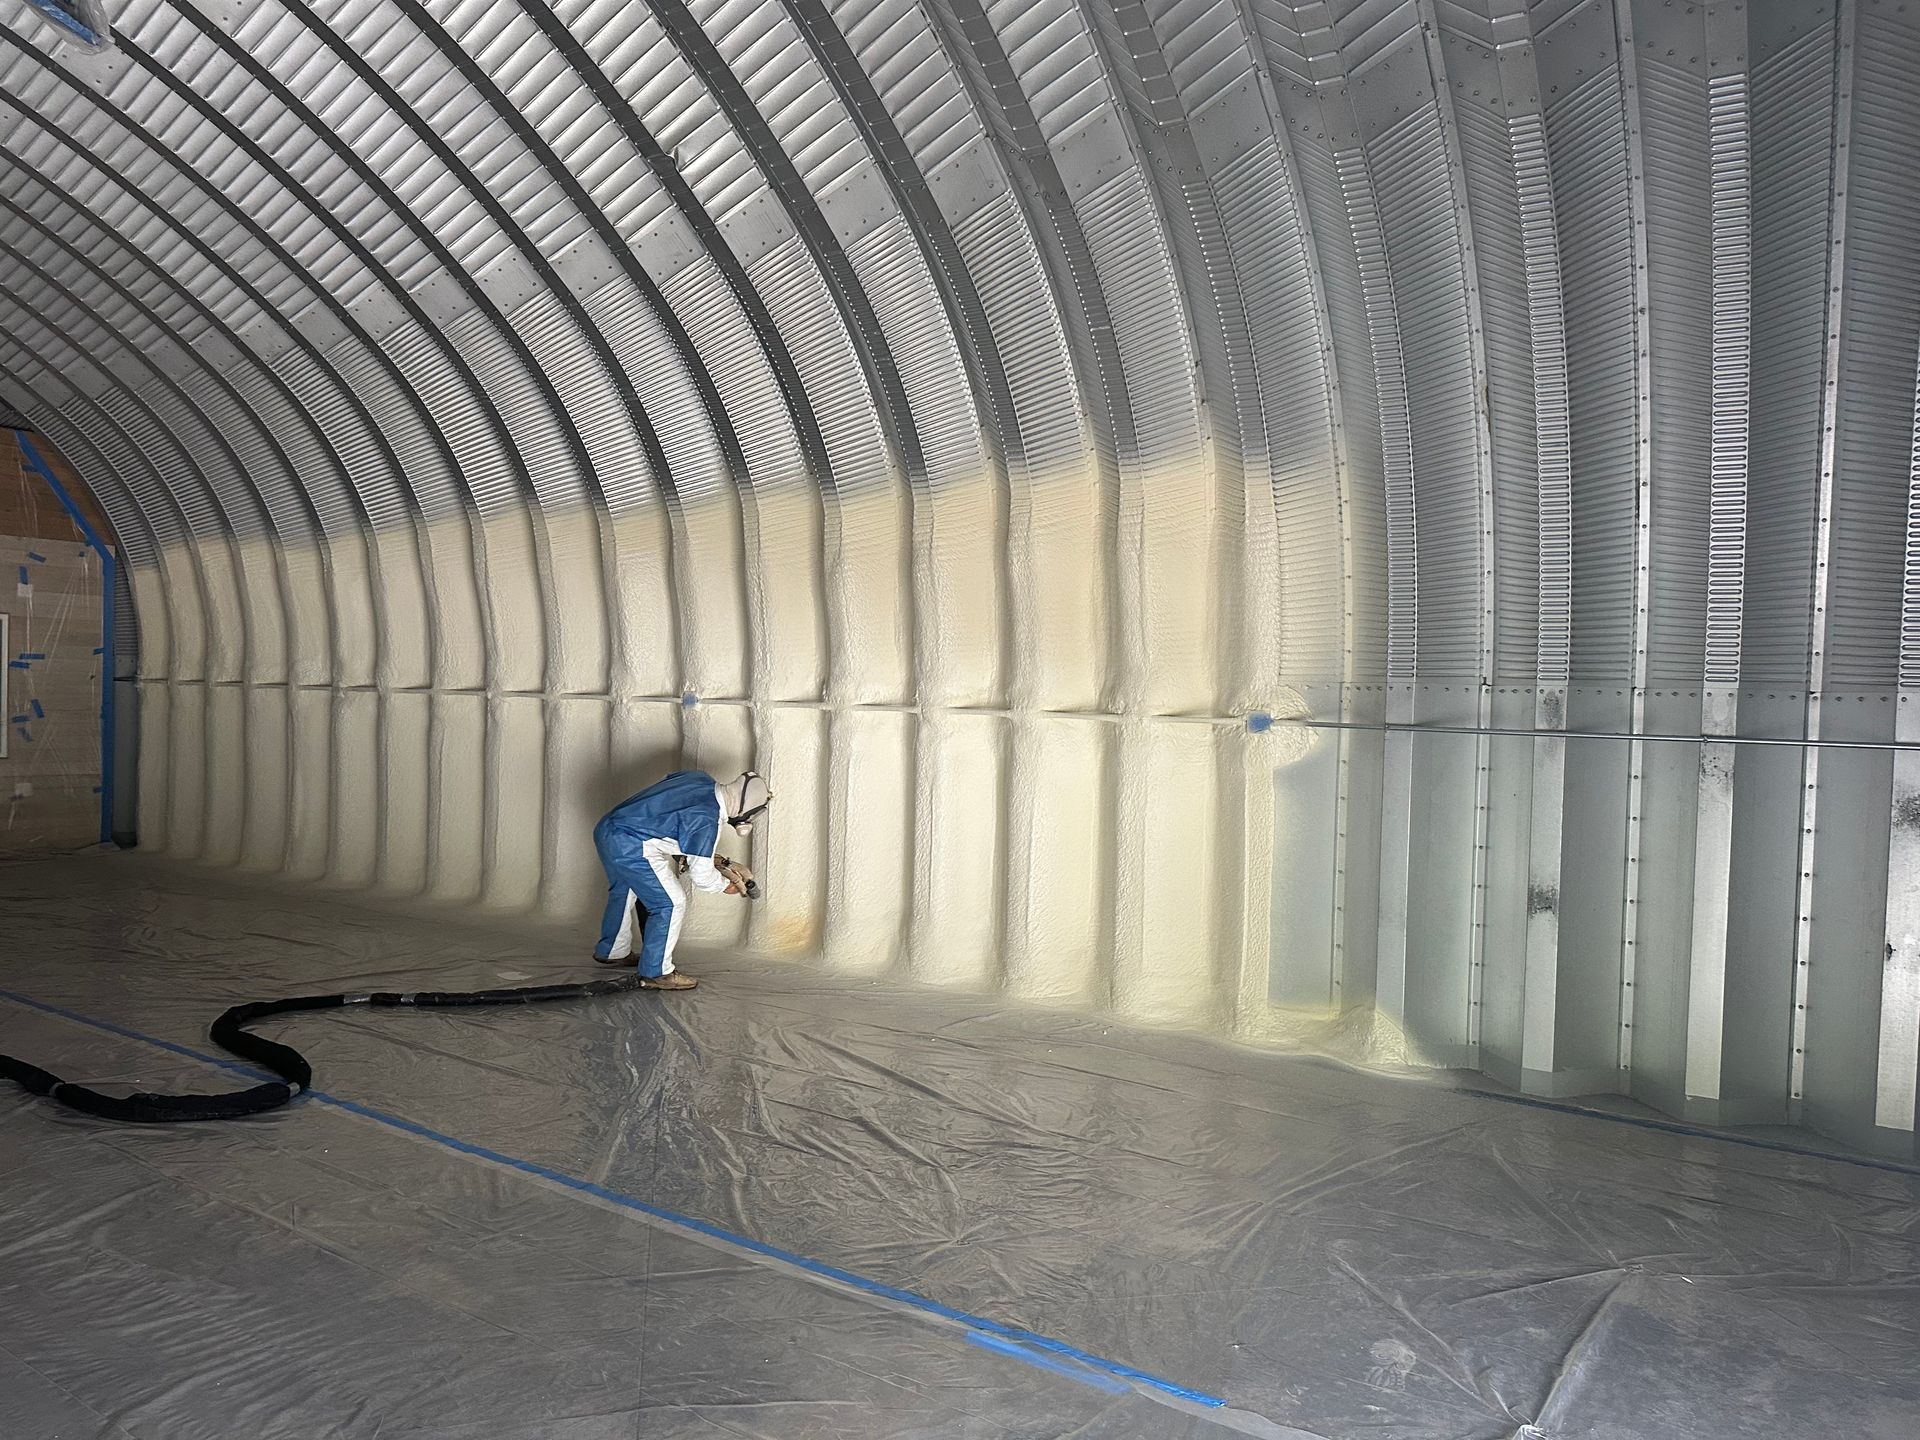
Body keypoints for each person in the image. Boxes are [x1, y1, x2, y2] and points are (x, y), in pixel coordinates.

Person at [590, 769, 771, 988]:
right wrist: (726, 886)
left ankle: (613, 950)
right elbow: (701, 875)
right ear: (745, 810)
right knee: (670, 903)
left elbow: (669, 808)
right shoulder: (707, 820)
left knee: (625, 890)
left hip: (608, 828)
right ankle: (657, 972)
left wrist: (702, 855)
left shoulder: (698, 778)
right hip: (632, 844)